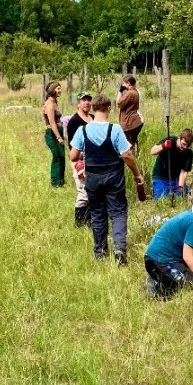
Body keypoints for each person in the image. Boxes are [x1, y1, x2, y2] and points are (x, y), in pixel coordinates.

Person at [69, 94, 144, 265]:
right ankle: (119, 249)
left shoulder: (83, 130)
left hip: (92, 179)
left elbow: (73, 156)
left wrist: (85, 153)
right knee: (118, 212)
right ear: (109, 109)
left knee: (97, 213)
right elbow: (127, 155)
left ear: (94, 109)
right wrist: (137, 174)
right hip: (114, 178)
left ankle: (100, 251)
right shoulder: (115, 129)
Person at [66, 92, 94, 227]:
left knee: (92, 189)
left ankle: (90, 219)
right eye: (84, 100)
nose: (87, 103)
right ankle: (79, 222)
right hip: (79, 160)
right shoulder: (74, 121)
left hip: (94, 160)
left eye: (89, 100)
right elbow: (72, 147)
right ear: (78, 103)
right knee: (83, 190)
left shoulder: (94, 118)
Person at [150, 128, 193, 199]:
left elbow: (184, 172)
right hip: (161, 178)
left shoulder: (189, 153)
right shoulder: (170, 140)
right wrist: (163, 146)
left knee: (182, 197)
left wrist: (180, 187)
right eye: (183, 144)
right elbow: (152, 151)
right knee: (163, 199)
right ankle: (156, 190)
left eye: (188, 146)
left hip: (175, 180)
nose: (185, 147)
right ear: (179, 138)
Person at [43, 81, 65, 187]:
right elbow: (52, 123)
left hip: (58, 132)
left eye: (60, 88)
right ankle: (55, 182)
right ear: (52, 90)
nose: (60, 90)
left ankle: (61, 181)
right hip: (52, 133)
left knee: (61, 157)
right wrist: (58, 137)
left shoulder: (55, 102)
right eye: (57, 89)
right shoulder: (50, 104)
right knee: (57, 157)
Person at [116, 74, 144, 155]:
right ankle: (136, 157)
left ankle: (130, 158)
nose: (123, 85)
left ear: (128, 83)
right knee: (134, 141)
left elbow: (118, 103)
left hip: (130, 121)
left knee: (128, 143)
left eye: (124, 83)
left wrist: (120, 91)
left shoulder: (130, 93)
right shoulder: (137, 91)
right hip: (138, 120)